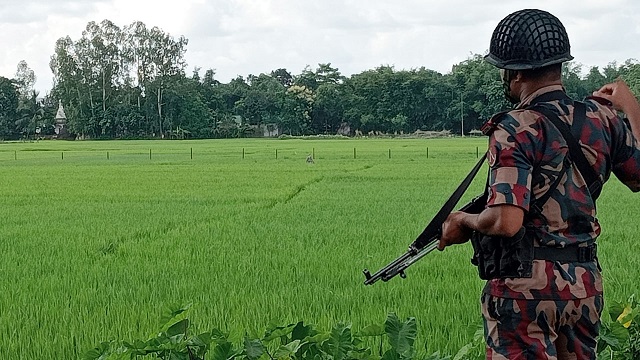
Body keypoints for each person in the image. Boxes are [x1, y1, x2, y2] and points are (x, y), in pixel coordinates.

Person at [437, 9, 640, 360]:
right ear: (560, 65)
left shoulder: (515, 127)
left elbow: (505, 220)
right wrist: (632, 105)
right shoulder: (601, 118)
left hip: (525, 293)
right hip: (584, 287)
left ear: (514, 73)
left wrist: (463, 221)